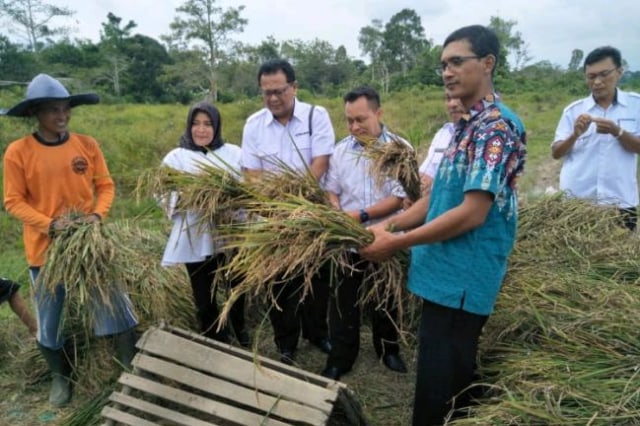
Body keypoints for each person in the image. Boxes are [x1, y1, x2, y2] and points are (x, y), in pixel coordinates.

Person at [360, 26, 526, 425]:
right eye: (443, 65)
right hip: (442, 274)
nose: (447, 72)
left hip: (463, 281)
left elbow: (472, 213)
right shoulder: (465, 126)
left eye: (456, 61)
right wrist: (391, 227)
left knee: (442, 391)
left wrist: (395, 244)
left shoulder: (496, 129)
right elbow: (436, 199)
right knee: (439, 376)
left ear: (487, 64)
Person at [2, 74, 138, 407]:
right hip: (45, 251)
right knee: (49, 322)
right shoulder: (19, 152)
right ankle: (61, 379)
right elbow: (13, 201)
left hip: (89, 244)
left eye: (65, 109)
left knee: (116, 306)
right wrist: (50, 224)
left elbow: (105, 186)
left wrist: (96, 216)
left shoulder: (86, 145)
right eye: (52, 110)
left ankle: (129, 373)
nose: (61, 116)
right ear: (37, 113)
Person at [241, 59, 335, 364]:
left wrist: (297, 202)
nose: (273, 99)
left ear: (294, 87)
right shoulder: (254, 124)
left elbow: (320, 163)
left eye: (279, 91)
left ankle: (317, 333)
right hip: (273, 218)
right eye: (266, 93)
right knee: (277, 282)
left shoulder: (315, 116)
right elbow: (252, 174)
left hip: (310, 213)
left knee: (316, 277)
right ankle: (285, 343)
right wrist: (276, 207)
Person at [321, 86, 408, 381]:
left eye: (361, 119)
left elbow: (399, 198)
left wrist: (362, 216)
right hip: (348, 240)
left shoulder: (399, 149)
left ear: (378, 113)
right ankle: (341, 358)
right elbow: (331, 189)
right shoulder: (340, 151)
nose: (355, 127)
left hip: (385, 236)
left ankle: (389, 350)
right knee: (344, 301)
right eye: (349, 121)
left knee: (386, 295)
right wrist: (336, 212)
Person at [160, 101, 249, 347]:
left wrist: (227, 199)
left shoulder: (234, 153)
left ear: (217, 126)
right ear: (189, 126)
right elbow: (163, 194)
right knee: (203, 293)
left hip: (230, 233)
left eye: (208, 124)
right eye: (196, 124)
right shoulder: (176, 158)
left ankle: (239, 328)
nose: (201, 130)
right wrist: (189, 197)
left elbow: (247, 189)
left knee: (237, 286)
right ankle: (213, 336)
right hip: (194, 236)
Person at [551, 46, 640, 230]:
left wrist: (618, 132)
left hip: (620, 203)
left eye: (604, 74)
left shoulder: (635, 106)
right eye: (591, 77)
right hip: (577, 204)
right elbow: (556, 152)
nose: (597, 82)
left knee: (620, 257)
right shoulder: (573, 111)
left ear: (619, 72)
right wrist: (574, 135)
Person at [418, 94, 465, 197]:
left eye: (459, 97)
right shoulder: (443, 133)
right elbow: (426, 173)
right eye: (448, 99)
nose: (452, 104)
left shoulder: (485, 134)